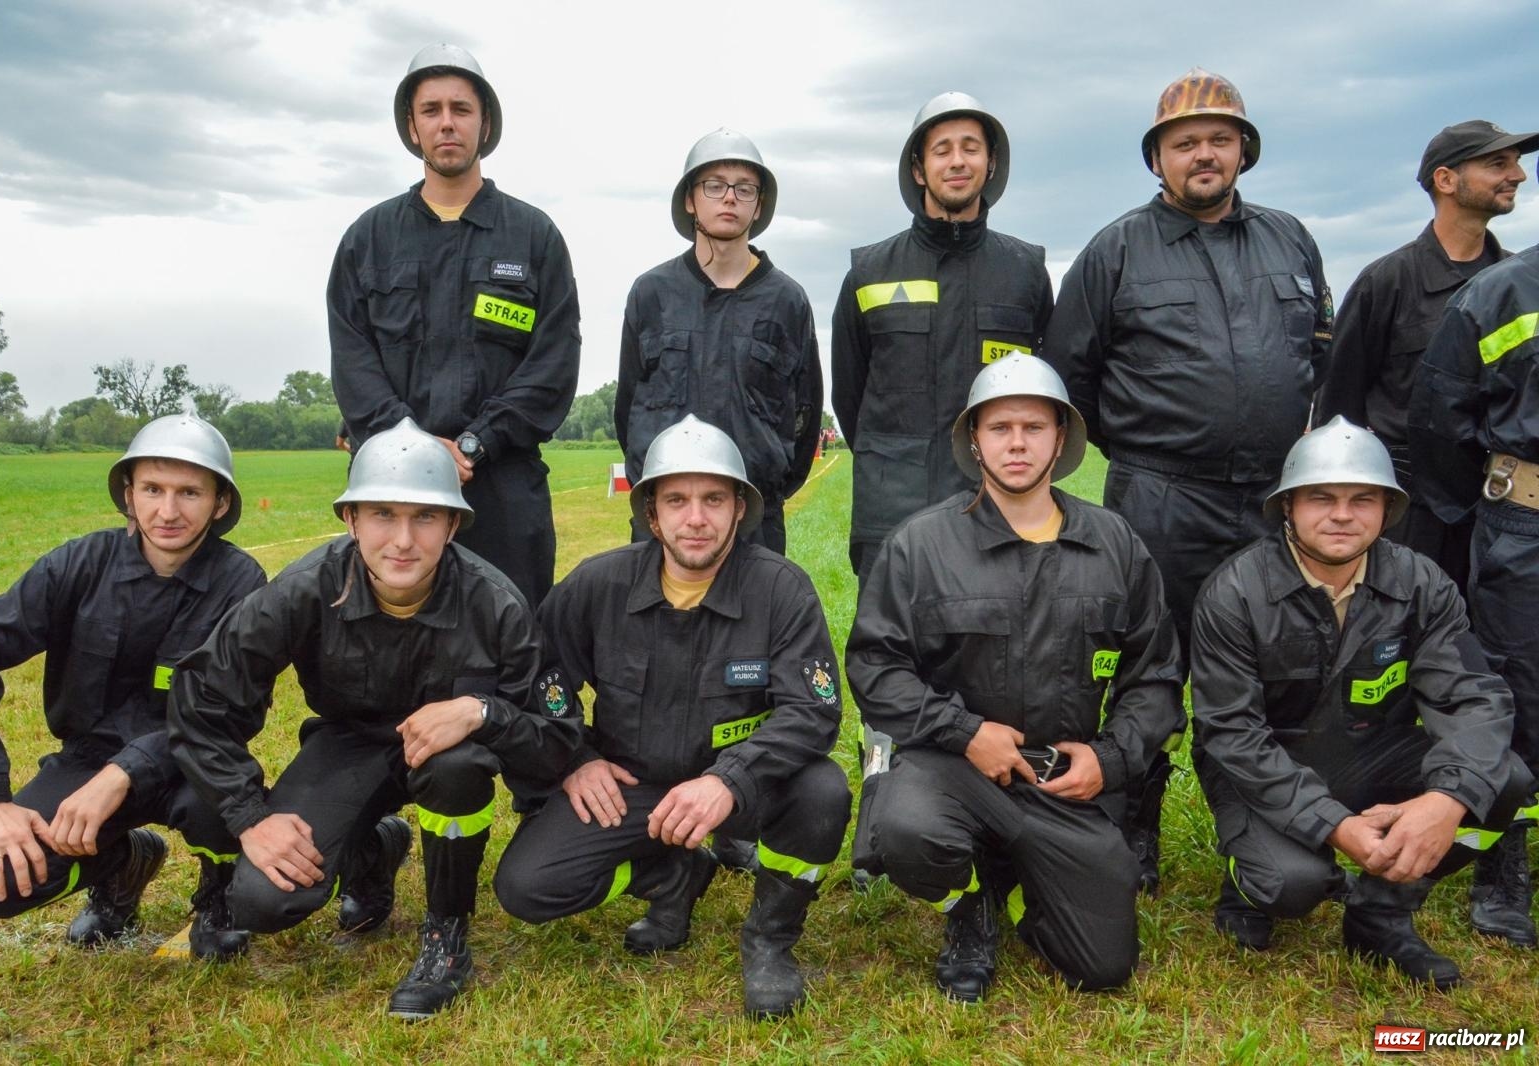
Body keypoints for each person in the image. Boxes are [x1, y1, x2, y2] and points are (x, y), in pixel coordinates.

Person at [168, 419, 579, 1019]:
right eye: (383, 514)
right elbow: (201, 698)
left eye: (426, 517)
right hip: (348, 743)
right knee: (262, 901)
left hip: (444, 759)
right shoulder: (305, 589)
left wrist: (483, 712)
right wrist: (251, 817)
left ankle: (445, 934)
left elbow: (556, 739)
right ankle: (374, 853)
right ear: (350, 520)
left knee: (458, 764)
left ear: (454, 524)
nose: (404, 540)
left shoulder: (498, 603)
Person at [1044, 67, 1332, 893]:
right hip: (1160, 497)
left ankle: (1266, 825)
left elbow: (1320, 353)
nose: (1203, 154)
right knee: (1149, 663)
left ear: (1243, 150)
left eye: (1219, 138)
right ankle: (1134, 822)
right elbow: (1073, 380)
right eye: (1184, 142)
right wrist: (1148, 447)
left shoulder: (1291, 240)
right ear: (1157, 158)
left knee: (1272, 664)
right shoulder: (1115, 250)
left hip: (1271, 501)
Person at [846, 355, 1180, 1000]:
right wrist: (964, 731)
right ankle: (968, 911)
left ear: (1062, 437)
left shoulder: (1115, 543)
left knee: (1103, 968)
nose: (1018, 443)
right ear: (974, 439)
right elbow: (875, 666)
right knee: (909, 829)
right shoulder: (921, 545)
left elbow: (1155, 675)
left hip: (1060, 779)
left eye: (1035, 426)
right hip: (952, 768)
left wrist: (1110, 759)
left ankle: (1017, 876)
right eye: (999, 427)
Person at [493, 415, 850, 1018]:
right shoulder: (598, 585)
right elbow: (541, 679)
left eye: (714, 499)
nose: (696, 518)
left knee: (823, 792)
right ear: (651, 513)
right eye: (676, 500)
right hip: (634, 784)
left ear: (740, 508)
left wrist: (727, 781)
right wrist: (576, 757)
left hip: (739, 787)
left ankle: (769, 939)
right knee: (527, 888)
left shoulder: (781, 590)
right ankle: (670, 877)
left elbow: (812, 712)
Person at [1192, 416, 1530, 988]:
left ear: (1387, 509)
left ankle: (1380, 912)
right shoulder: (1234, 593)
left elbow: (1475, 697)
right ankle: (1246, 883)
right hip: (1264, 765)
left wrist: (1445, 801)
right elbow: (1234, 736)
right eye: (1321, 497)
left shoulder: (1422, 582)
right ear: (1289, 508)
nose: (1342, 514)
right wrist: (1336, 826)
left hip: (1370, 749)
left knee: (1506, 781)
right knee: (1290, 884)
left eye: (1362, 499)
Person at [0, 415, 264, 960]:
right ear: (127, 494)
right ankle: (122, 863)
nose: (168, 511)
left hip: (194, 758)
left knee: (224, 808)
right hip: (86, 760)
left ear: (220, 504)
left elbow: (227, 711)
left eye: (190, 492)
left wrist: (125, 773)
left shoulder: (242, 584)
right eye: (153, 490)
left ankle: (220, 893)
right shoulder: (78, 564)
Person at [329, 43, 581, 609]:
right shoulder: (366, 240)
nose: (447, 123)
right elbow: (354, 364)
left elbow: (552, 367)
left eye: (461, 109)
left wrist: (472, 443)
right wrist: (414, 445)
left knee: (516, 646)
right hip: (392, 489)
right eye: (432, 110)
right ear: (412, 127)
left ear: (484, 123)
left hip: (503, 486)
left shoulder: (534, 237)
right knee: (391, 648)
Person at [830, 91, 1053, 582]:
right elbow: (849, 396)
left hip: (997, 510)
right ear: (918, 168)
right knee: (887, 654)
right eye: (942, 149)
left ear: (991, 163)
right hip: (891, 515)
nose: (957, 161)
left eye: (970, 147)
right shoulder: (868, 273)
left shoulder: (1025, 272)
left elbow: (1046, 389)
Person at [1315, 120, 1538, 594]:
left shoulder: (1518, 288)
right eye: (1497, 163)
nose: (1517, 175)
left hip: (1502, 514)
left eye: (1517, 163)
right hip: (1410, 515)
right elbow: (1339, 409)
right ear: (1446, 180)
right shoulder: (1387, 282)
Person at [1411, 242, 1539, 948]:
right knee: (1518, 700)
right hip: (1525, 527)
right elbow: (1439, 419)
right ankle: (1502, 870)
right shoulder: (1502, 292)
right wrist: (1487, 515)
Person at [616, 128, 822, 555]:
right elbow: (628, 408)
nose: (729, 198)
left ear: (759, 204)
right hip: (664, 527)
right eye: (714, 186)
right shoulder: (650, 294)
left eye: (744, 188)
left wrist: (763, 492)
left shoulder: (788, 302)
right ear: (690, 199)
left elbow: (804, 417)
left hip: (756, 527)